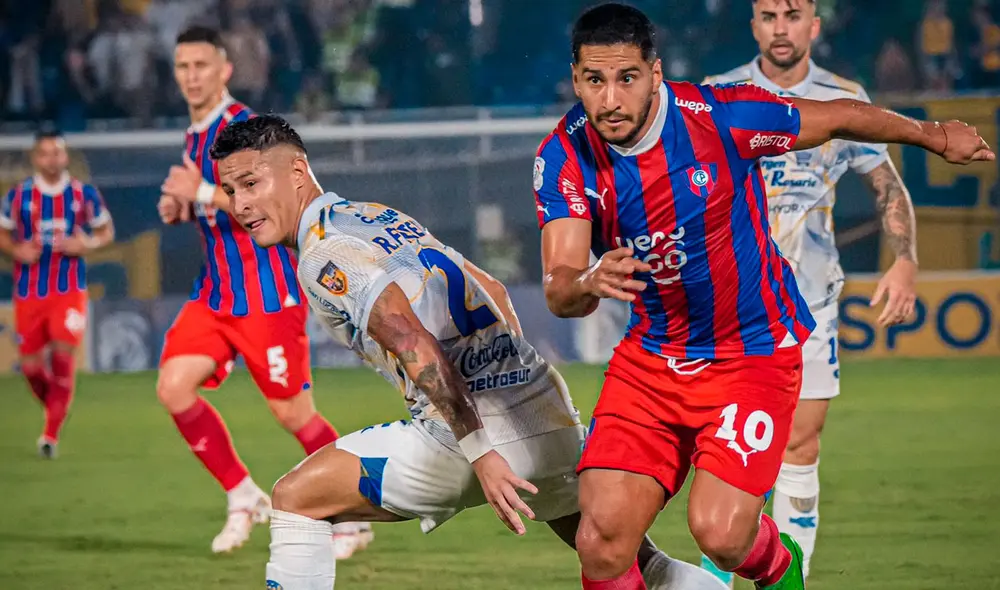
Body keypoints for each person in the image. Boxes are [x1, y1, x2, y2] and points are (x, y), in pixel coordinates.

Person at [533, 4, 993, 590]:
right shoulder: (564, 154)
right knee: (599, 544)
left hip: (751, 354)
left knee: (721, 536)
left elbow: (840, 117)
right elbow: (560, 284)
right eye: (594, 81)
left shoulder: (719, 116)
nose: (611, 100)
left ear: (655, 72)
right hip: (651, 360)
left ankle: (781, 568)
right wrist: (586, 282)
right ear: (575, 79)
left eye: (627, 78)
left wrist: (932, 135)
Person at [211, 114, 729, 590]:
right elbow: (495, 291)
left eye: (252, 184)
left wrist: (482, 453)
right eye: (231, 190)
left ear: (298, 171)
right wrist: (512, 379)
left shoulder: (325, 253)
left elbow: (412, 341)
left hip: (468, 440)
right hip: (546, 408)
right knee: (639, 563)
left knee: (295, 499)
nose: (240, 205)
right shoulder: (376, 216)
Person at [699, 0, 920, 584]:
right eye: (768, 15)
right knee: (728, 452)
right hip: (729, 306)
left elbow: (885, 183)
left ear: (813, 25)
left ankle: (787, 578)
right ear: (753, 25)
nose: (780, 27)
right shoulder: (716, 95)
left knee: (800, 442)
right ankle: (716, 576)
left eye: (793, 15)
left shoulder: (845, 97)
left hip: (809, 300)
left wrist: (905, 260)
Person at [155, 25, 371, 557]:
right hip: (217, 296)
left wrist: (202, 191)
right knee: (173, 386)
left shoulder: (245, 127)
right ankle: (242, 493)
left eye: (201, 66)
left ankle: (354, 516)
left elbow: (275, 203)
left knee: (294, 416)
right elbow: (220, 206)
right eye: (183, 67)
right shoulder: (194, 134)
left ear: (225, 70)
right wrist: (185, 206)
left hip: (267, 295)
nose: (191, 76)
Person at [0, 131, 115, 459]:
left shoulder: (83, 195)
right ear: (35, 159)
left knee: (64, 359)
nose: (52, 159)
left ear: (66, 157)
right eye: (45, 153)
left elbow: (106, 231)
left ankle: (50, 434)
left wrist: (87, 243)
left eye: (57, 153)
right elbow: (3, 234)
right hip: (29, 292)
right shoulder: (19, 196)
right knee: (32, 369)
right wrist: (16, 250)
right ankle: (58, 405)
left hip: (69, 292)